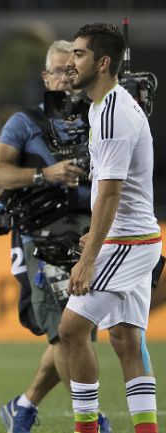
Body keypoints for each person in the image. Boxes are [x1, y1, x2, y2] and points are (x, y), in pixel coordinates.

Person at [0, 40, 111, 433]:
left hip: (88, 234)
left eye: (72, 71)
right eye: (58, 71)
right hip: (38, 236)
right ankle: (93, 419)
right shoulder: (26, 122)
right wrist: (45, 174)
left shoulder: (99, 119)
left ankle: (23, 406)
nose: (66, 79)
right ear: (45, 76)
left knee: (75, 333)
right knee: (64, 331)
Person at [61, 23, 161, 433]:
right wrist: (97, 234)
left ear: (103, 62)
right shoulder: (103, 106)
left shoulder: (114, 113)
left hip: (130, 242)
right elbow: (109, 187)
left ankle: (86, 428)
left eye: (79, 55)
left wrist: (88, 260)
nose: (70, 62)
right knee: (124, 338)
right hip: (132, 237)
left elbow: (112, 193)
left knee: (70, 330)